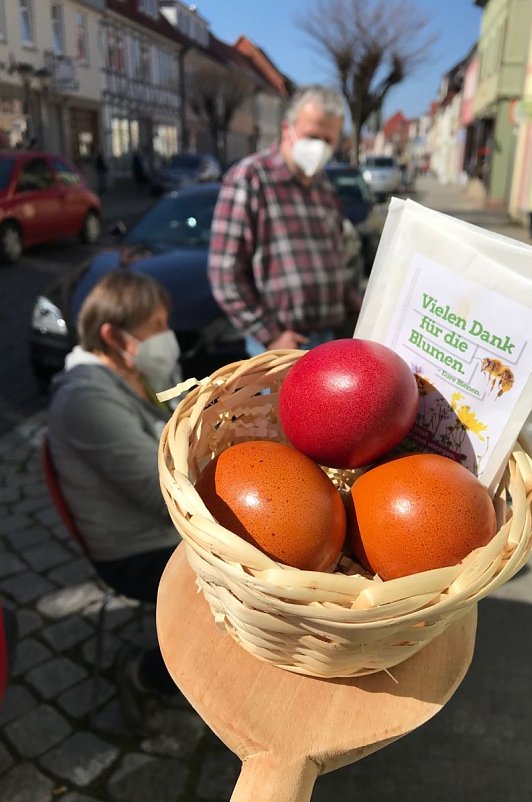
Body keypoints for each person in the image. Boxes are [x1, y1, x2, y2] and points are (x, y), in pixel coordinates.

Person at [47, 270, 183, 733]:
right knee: (244, 600)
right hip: (135, 550)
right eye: (157, 325)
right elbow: (159, 493)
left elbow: (182, 427)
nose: (167, 337)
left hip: (164, 529)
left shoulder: (138, 372)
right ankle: (145, 674)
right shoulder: (87, 399)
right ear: (112, 335)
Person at [208, 84, 362, 357]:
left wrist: (355, 303)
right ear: (286, 130)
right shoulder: (250, 178)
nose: (320, 147)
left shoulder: (323, 185)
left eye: (329, 140)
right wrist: (271, 335)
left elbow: (337, 258)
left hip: (327, 337)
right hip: (281, 343)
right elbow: (225, 273)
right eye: (312, 136)